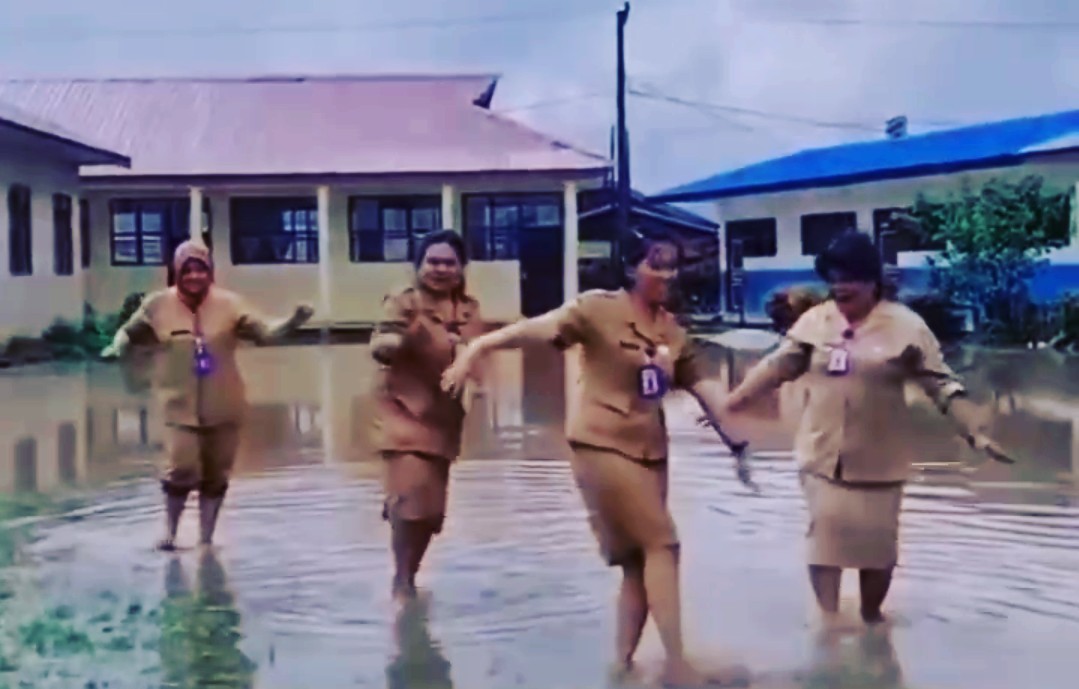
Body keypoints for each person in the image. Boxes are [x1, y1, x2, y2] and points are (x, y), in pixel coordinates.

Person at [441, 228, 749, 688]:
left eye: (672, 266)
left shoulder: (672, 330)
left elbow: (706, 390)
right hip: (601, 443)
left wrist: (737, 444)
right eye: (656, 265)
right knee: (663, 544)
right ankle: (679, 666)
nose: (667, 275)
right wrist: (478, 348)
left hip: (650, 451)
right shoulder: (598, 309)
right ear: (631, 268)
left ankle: (621, 668)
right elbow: (537, 329)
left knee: (636, 562)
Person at [717, 230, 1007, 630]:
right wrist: (731, 402)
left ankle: (872, 621)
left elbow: (941, 386)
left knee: (878, 552)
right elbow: (779, 365)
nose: (839, 287)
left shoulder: (907, 327)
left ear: (873, 281)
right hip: (821, 454)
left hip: (879, 461)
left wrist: (975, 431)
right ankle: (829, 624)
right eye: (833, 277)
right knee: (824, 539)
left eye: (849, 277)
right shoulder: (815, 321)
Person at [101, 240, 313, 551]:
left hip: (224, 404)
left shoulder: (230, 305)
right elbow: (129, 332)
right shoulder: (157, 305)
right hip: (178, 405)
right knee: (181, 467)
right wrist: (117, 345)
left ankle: (206, 539)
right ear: (176, 272)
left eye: (201, 270)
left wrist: (293, 322)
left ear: (210, 272)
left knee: (216, 473)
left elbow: (265, 333)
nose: (194, 277)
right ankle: (171, 533)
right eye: (187, 271)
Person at [368, 229, 484, 603]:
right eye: (433, 261)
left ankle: (410, 575)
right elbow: (383, 339)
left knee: (431, 515)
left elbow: (480, 354)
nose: (441, 269)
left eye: (449, 262)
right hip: (403, 414)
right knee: (414, 500)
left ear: (461, 268)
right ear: (418, 266)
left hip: (444, 419)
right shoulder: (405, 301)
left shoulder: (469, 309)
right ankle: (401, 581)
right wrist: (391, 344)